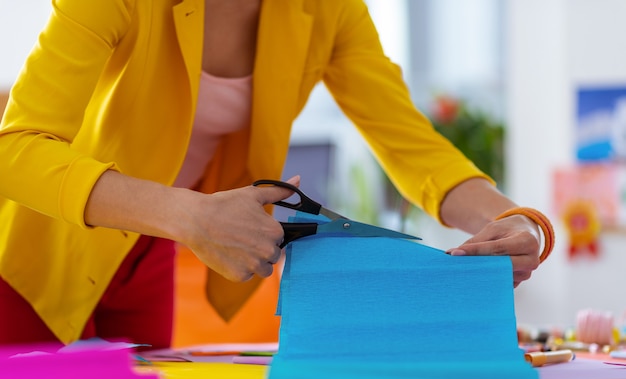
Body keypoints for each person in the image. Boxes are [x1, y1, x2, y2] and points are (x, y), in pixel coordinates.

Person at [0, 0, 553, 349]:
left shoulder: (329, 11)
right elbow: (15, 148)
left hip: (149, 251)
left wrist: (512, 220)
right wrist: (190, 214)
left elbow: (414, 149)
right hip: (36, 250)